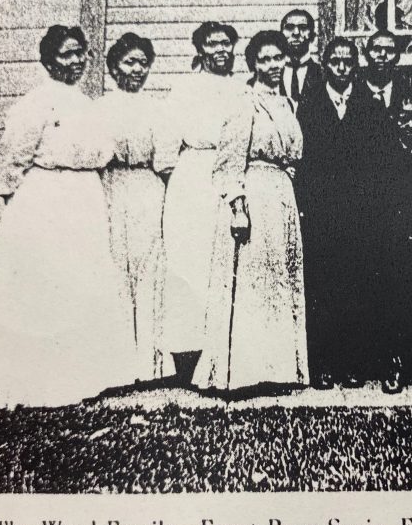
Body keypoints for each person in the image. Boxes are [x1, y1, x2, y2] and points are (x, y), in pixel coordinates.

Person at [0, 25, 133, 408]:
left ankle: (83, 377)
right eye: (66, 54)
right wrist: (21, 211)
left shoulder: (86, 104)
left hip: (86, 200)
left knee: (82, 283)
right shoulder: (33, 104)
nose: (76, 61)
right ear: (47, 61)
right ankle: (40, 383)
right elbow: (11, 161)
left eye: (81, 53)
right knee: (48, 285)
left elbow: (102, 152)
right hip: (46, 200)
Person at [195, 30, 308, 396]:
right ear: (253, 64)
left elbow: (293, 156)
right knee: (252, 283)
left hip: (281, 198)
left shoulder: (287, 103)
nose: (273, 66)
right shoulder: (245, 102)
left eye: (278, 59)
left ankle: (277, 368)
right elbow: (228, 162)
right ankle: (244, 371)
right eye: (265, 60)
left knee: (279, 283)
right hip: (254, 194)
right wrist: (238, 208)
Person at [156, 21, 246, 384]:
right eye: (213, 44)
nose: (221, 50)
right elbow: (166, 147)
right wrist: (182, 181)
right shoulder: (184, 88)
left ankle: (219, 356)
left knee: (222, 265)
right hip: (193, 175)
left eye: (227, 44)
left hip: (231, 176)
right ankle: (185, 359)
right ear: (200, 50)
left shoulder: (243, 90)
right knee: (187, 264)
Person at [295, 37, 378, 390]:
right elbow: (301, 161)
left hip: (358, 214)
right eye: (335, 61)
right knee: (323, 289)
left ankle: (353, 362)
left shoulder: (369, 106)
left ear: (355, 66)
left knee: (357, 288)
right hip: (322, 213)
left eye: (348, 61)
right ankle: (325, 364)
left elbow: (379, 161)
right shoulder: (310, 105)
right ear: (325, 65)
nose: (342, 67)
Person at [97, 32, 167, 381]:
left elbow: (166, 155)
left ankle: (150, 364)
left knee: (150, 268)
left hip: (148, 187)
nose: (138, 70)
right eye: (130, 62)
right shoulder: (101, 108)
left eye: (143, 63)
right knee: (115, 266)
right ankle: (118, 365)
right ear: (114, 67)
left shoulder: (157, 107)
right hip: (113, 186)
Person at [279, 9, 322, 107]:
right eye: (289, 27)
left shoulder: (322, 74)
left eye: (303, 27)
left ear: (312, 36)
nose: (296, 33)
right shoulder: (272, 73)